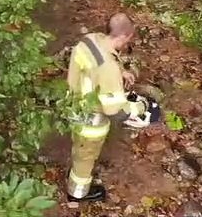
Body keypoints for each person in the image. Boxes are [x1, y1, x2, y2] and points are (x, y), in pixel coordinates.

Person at [65, 13, 161, 202]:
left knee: (80, 149)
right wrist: (141, 106)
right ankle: (77, 193)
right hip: (90, 121)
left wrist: (121, 72)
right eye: (129, 38)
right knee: (86, 156)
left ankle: (77, 168)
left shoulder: (90, 40)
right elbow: (116, 112)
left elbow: (95, 66)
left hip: (73, 101)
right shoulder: (109, 69)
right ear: (124, 36)